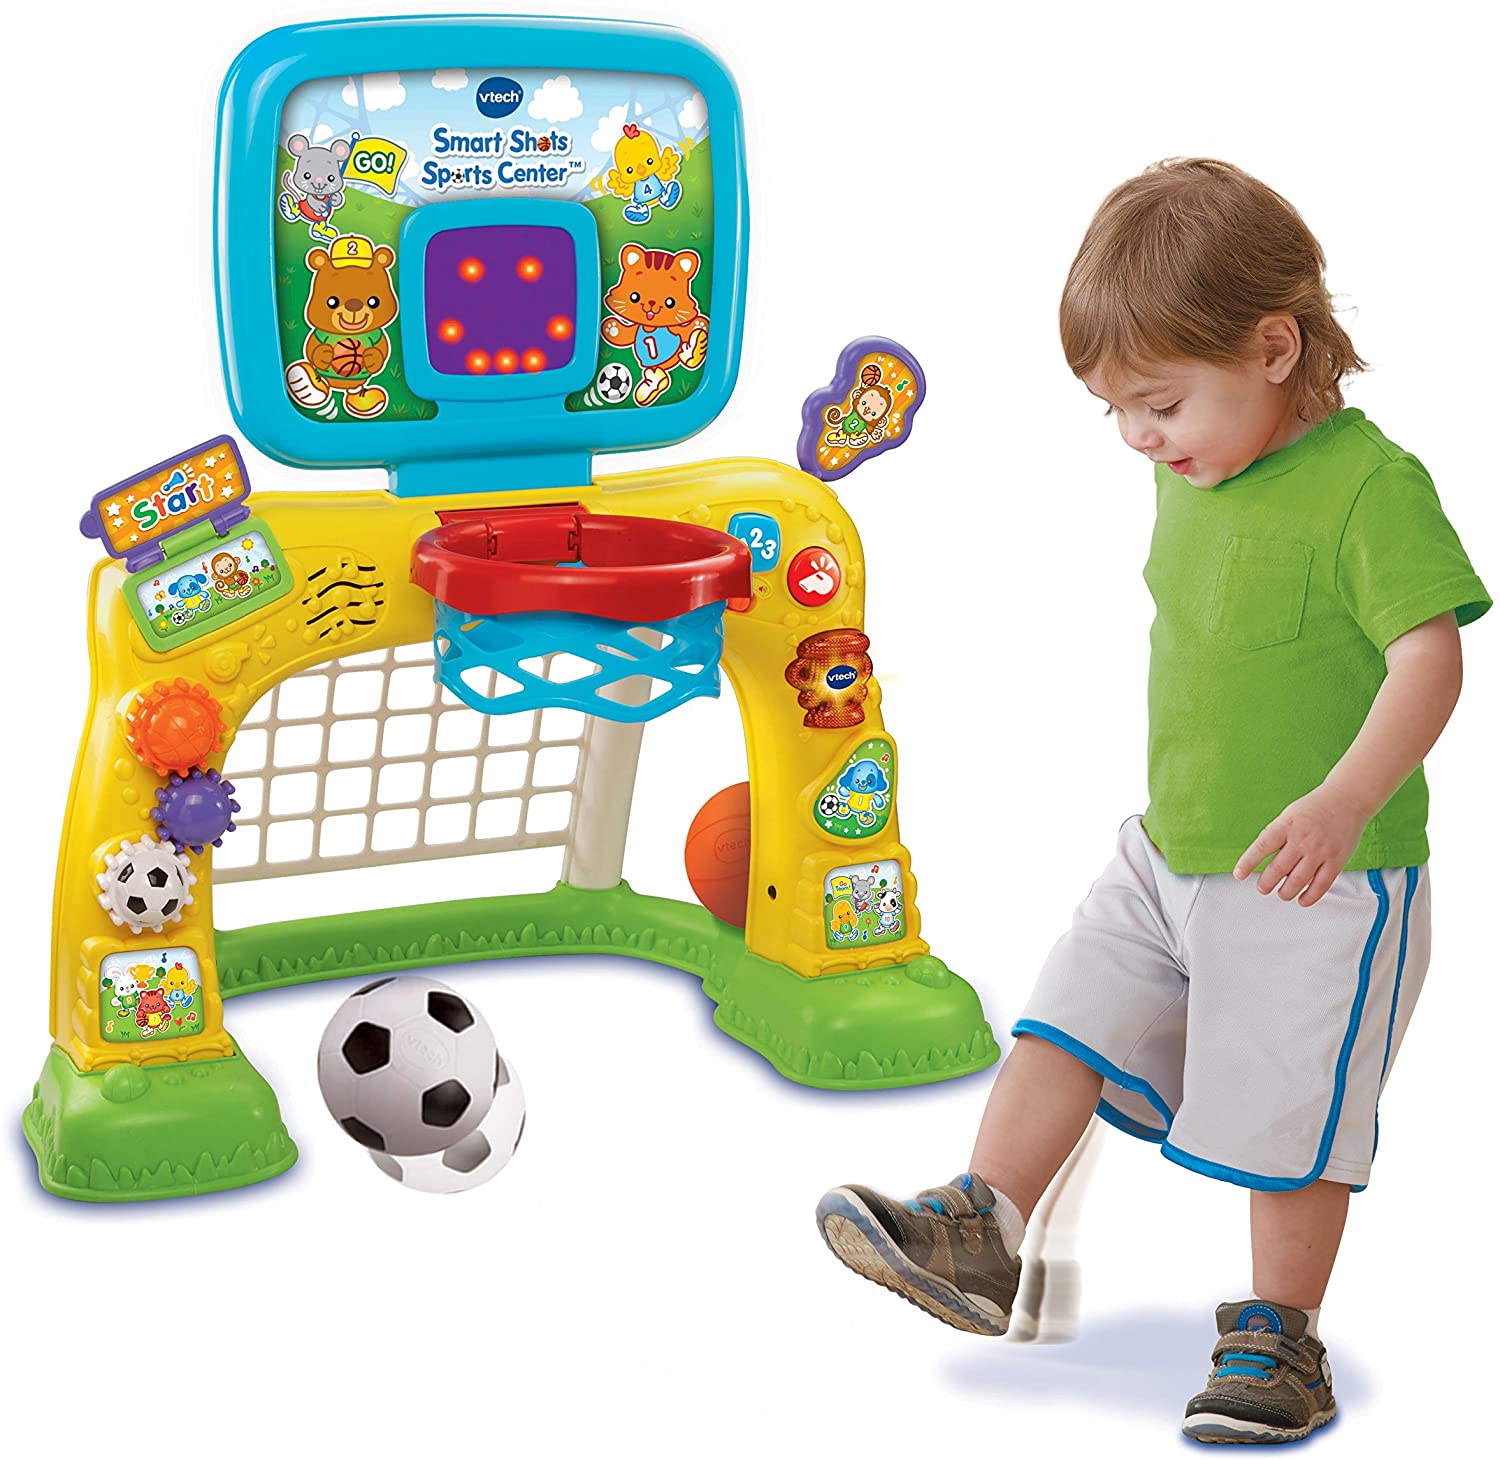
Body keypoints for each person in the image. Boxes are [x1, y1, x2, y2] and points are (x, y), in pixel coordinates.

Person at [815, 157, 1490, 1445]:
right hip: (1168, 847)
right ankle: (981, 1228)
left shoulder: (1371, 488)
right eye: (1116, 409)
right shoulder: (1194, 468)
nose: (1139, 436)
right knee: (1065, 1016)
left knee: (1289, 1118)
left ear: (1276, 349)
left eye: (1161, 403)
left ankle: (1280, 1339)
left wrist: (1346, 801)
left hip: (1319, 875)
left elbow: (1429, 659)